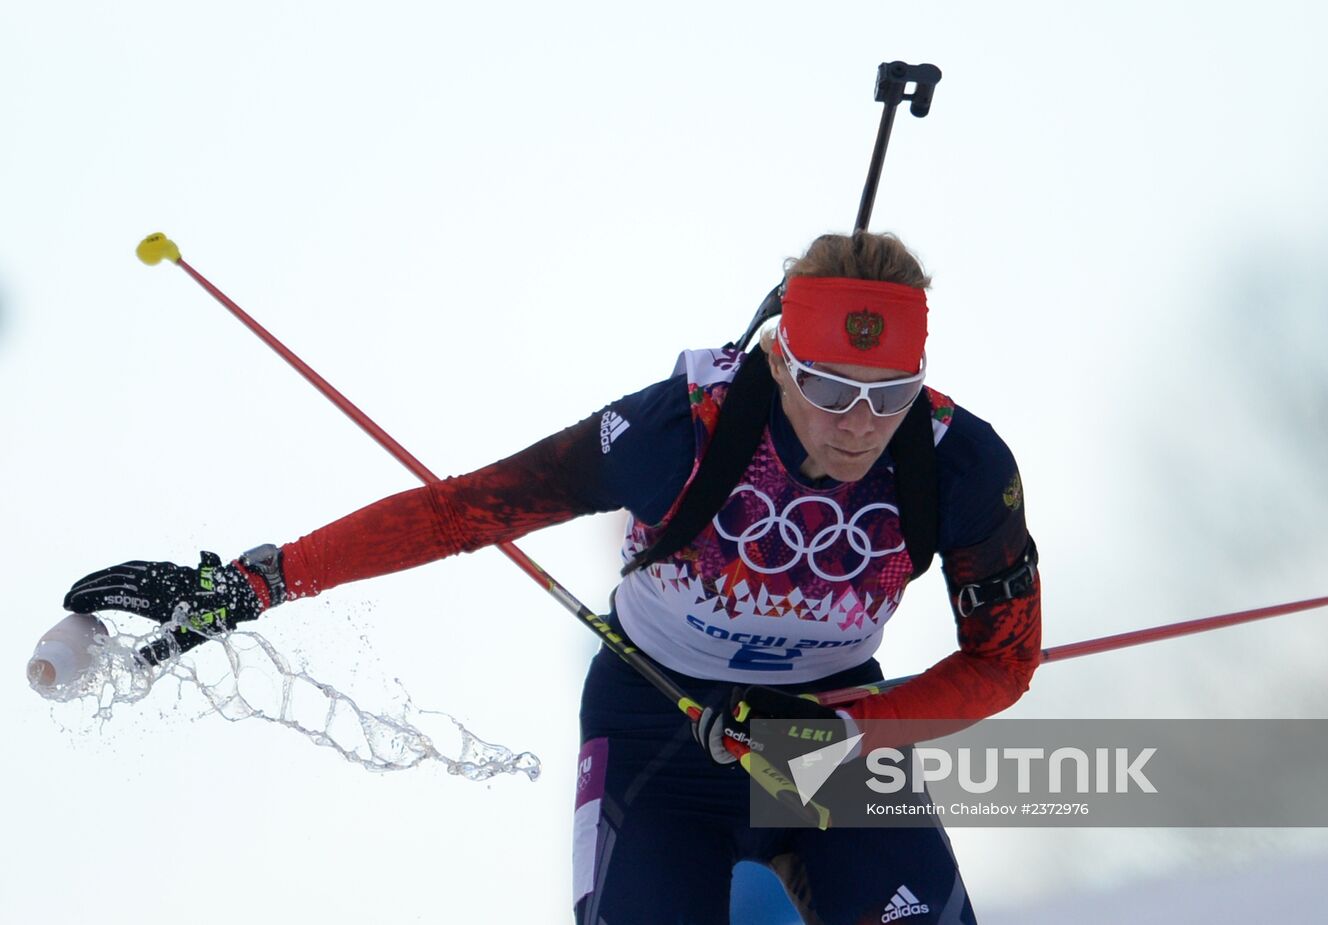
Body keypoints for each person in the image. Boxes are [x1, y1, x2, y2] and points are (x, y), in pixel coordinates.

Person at [65, 231, 1041, 924]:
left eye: (888, 395)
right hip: (659, 725)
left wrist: (838, 729)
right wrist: (253, 582)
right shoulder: (679, 431)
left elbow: (1000, 664)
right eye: (828, 387)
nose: (856, 425)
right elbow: (461, 512)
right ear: (778, 358)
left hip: (829, 732)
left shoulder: (959, 465)